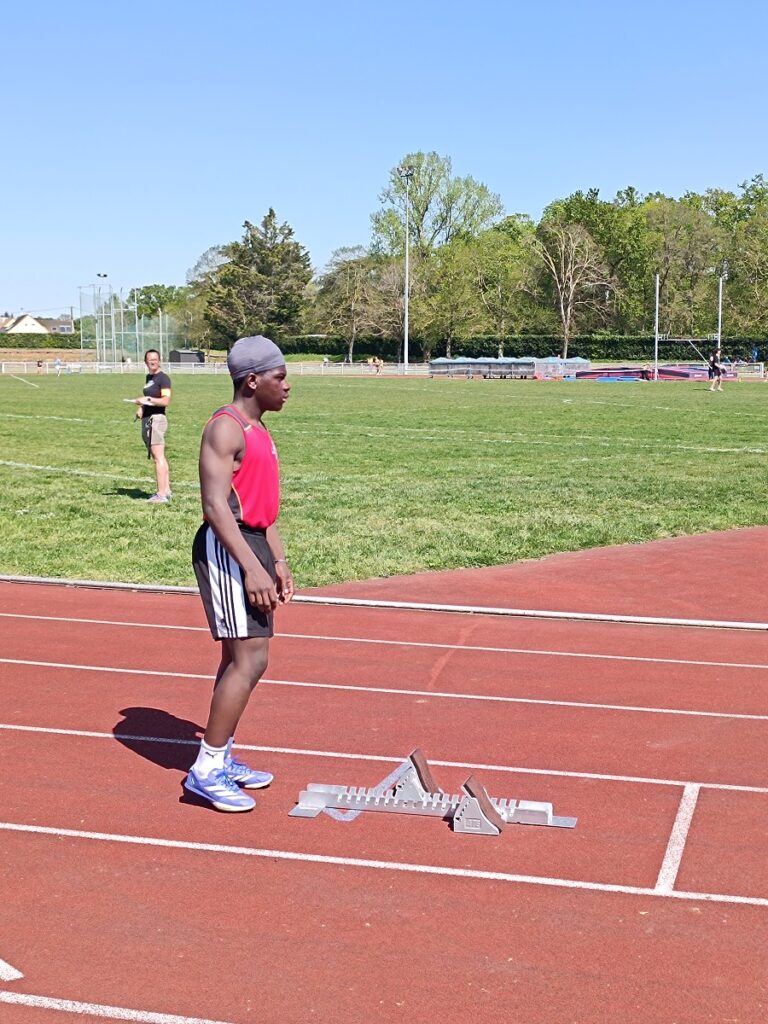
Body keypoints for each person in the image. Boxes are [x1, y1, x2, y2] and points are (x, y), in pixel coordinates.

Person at [185, 335, 294, 812]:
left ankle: (220, 756)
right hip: (229, 549)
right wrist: (251, 568)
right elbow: (216, 507)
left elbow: (261, 510)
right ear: (253, 380)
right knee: (250, 660)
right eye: (280, 377)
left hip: (252, 545)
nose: (287, 386)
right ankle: (205, 771)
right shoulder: (224, 429)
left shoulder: (260, 432)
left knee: (241, 659)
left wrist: (279, 559)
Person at [130, 349, 172, 502]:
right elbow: (149, 399)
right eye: (149, 359)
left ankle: (160, 495)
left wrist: (146, 399)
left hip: (157, 419)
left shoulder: (163, 378)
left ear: (159, 360)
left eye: (155, 359)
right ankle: (166, 490)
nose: (153, 362)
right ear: (145, 362)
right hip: (148, 417)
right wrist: (141, 407)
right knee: (158, 455)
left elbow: (165, 401)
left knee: (158, 456)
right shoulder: (149, 377)